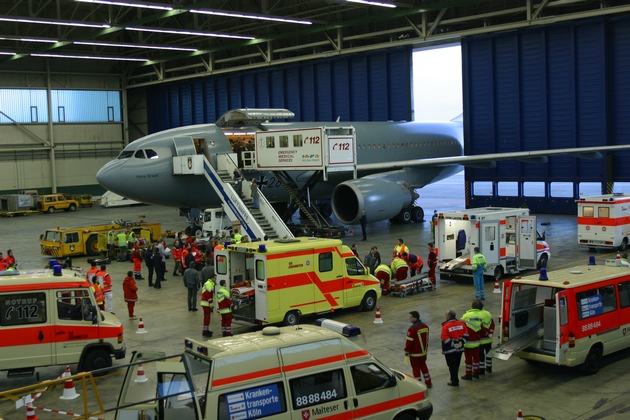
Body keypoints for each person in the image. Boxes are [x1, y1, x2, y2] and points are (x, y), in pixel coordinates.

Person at [404, 311, 432, 388]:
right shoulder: (425, 326)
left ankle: (419, 385)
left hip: (415, 354)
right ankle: (428, 382)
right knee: (423, 366)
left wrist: (406, 351)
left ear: (415, 318)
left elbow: (409, 342)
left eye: (411, 317)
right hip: (423, 353)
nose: (409, 318)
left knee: (416, 369)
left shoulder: (412, 329)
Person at [441, 309, 468, 387]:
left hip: (449, 350)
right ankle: (454, 379)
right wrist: (460, 342)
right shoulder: (461, 324)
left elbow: (445, 339)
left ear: (448, 316)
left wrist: (453, 344)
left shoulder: (445, 326)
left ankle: (454, 381)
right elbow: (466, 335)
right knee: (456, 364)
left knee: (451, 366)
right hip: (459, 349)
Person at [460, 299, 483, 380]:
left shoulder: (466, 315)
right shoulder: (480, 315)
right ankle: (476, 372)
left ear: (472, 306)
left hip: (468, 342)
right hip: (477, 341)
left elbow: (461, 326)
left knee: (468, 359)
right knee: (476, 357)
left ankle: (468, 374)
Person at [478, 301, 495, 375]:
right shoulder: (487, 313)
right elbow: (492, 324)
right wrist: (490, 333)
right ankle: (489, 367)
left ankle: (481, 370)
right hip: (489, 339)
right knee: (489, 354)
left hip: (481, 340)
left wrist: (485, 333)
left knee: (481, 356)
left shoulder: (476, 315)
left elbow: (478, 327)